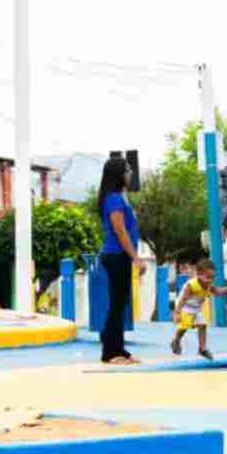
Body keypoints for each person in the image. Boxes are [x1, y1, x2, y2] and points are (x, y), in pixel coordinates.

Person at [97, 156, 145, 365]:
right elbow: (120, 230)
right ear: (119, 174)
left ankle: (119, 349)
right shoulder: (113, 199)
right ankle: (110, 352)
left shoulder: (119, 196)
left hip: (121, 256)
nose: (130, 173)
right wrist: (136, 258)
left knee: (121, 304)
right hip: (116, 255)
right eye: (127, 170)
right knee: (117, 305)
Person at [171, 258, 227, 360]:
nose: (210, 280)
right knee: (185, 326)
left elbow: (217, 292)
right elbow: (182, 299)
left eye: (212, 277)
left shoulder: (209, 284)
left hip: (196, 308)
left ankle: (202, 349)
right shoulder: (192, 285)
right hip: (185, 306)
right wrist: (177, 313)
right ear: (199, 274)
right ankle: (176, 340)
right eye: (208, 277)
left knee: (202, 325)